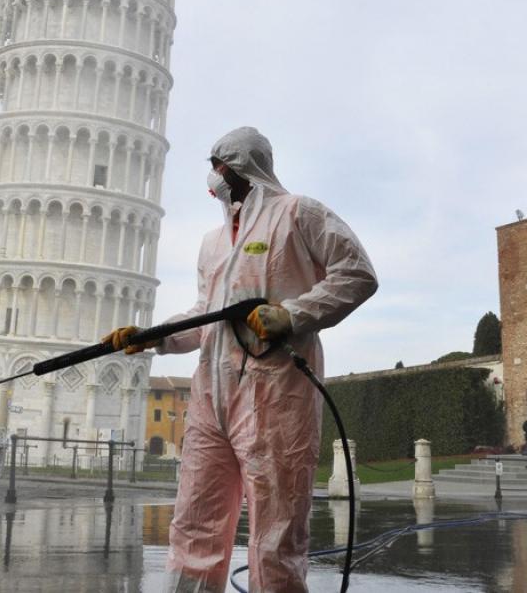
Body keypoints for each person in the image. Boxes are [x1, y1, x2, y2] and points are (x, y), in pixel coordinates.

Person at [103, 127, 378, 592]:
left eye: (219, 166)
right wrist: (153, 337)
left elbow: (357, 273)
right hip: (212, 400)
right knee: (195, 521)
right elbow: (206, 316)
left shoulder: (296, 213)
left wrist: (291, 315)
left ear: (242, 166)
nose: (214, 178)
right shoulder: (213, 242)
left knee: (276, 530)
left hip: (276, 395)